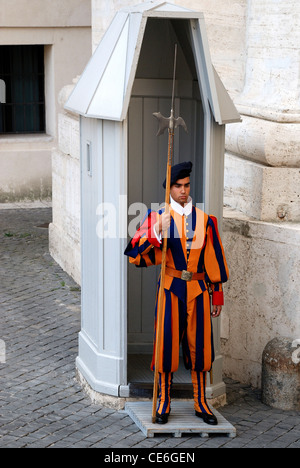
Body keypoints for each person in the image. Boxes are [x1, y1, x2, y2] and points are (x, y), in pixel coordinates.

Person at [125, 161, 229, 425]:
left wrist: (216, 294)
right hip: (170, 289)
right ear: (169, 189)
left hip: (198, 289)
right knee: (167, 345)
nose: (183, 191)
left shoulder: (206, 220)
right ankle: (164, 400)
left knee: (202, 346)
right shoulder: (157, 217)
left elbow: (213, 259)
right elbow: (136, 256)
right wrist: (158, 229)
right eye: (178, 186)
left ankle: (201, 401)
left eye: (186, 185)